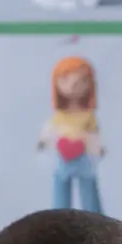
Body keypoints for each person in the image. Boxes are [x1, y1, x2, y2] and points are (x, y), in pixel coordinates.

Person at [42, 54, 105, 214]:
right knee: (61, 181)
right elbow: (50, 130)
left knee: (88, 184)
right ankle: (60, 214)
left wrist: (96, 147)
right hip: (64, 156)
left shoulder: (89, 116)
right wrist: (45, 141)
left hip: (83, 157)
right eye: (65, 80)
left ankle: (94, 216)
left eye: (80, 81)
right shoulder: (59, 116)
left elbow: (94, 134)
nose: (73, 86)